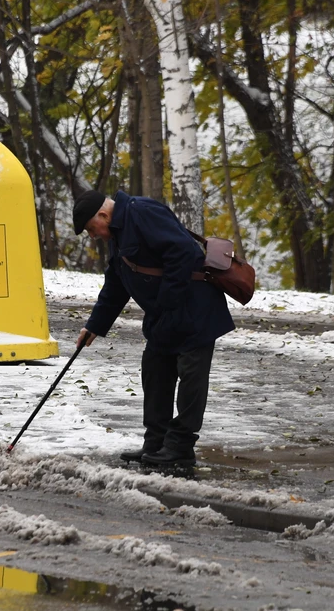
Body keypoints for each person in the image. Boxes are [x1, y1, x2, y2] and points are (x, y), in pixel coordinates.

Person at [72, 189, 234, 467]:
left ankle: (180, 446)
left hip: (194, 310)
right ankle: (156, 443)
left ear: (102, 214)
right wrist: (94, 325)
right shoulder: (118, 232)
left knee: (191, 378)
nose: (93, 235)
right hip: (165, 315)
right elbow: (116, 282)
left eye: (91, 228)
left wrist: (164, 304)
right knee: (155, 372)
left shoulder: (142, 212)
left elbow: (182, 253)